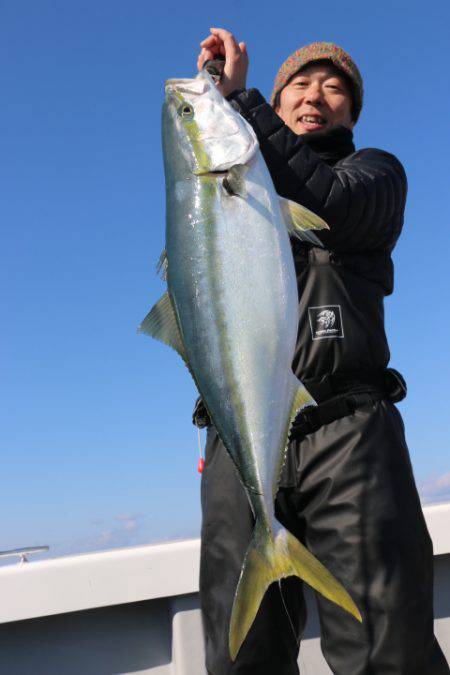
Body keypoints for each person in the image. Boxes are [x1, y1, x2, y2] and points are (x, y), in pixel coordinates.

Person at [194, 28, 450, 675]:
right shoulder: (236, 191)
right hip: (244, 441)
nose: (316, 94)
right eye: (299, 85)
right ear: (277, 107)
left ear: (352, 113)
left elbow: (327, 200)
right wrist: (216, 108)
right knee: (238, 657)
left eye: (334, 87)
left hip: (349, 438)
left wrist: (243, 100)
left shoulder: (375, 175)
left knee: (386, 656)